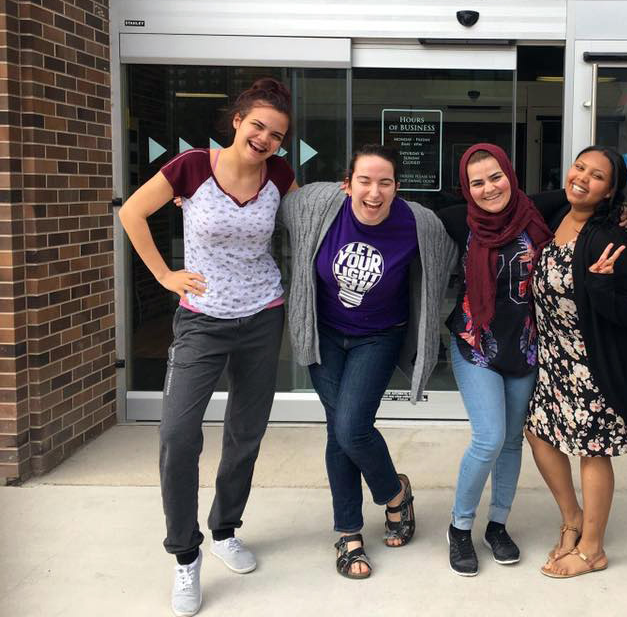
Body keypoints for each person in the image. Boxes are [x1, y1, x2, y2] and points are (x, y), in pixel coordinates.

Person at [118, 78, 296, 617]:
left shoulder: (281, 176)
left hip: (263, 316)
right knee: (177, 435)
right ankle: (185, 554)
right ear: (238, 121)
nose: (264, 138)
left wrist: (340, 195)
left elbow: (305, 220)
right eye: (258, 125)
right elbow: (131, 212)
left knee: (246, 433)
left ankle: (224, 529)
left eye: (277, 134)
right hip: (201, 321)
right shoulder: (192, 167)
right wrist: (165, 275)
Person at [279, 144, 456, 579]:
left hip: (378, 337)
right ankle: (353, 530)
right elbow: (262, 198)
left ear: (397, 187)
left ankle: (390, 498)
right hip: (324, 336)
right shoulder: (319, 205)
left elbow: (467, 236)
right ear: (347, 183)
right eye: (364, 181)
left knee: (350, 428)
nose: (374, 192)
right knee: (339, 432)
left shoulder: (418, 222)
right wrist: (197, 195)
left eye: (385, 182)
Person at [525, 145, 627, 578]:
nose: (582, 178)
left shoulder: (609, 237)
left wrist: (598, 285)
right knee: (540, 434)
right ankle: (572, 518)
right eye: (579, 167)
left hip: (593, 362)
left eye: (597, 176)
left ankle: (592, 548)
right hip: (554, 358)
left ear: (610, 190)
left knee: (592, 450)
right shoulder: (555, 214)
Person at [436, 144, 557, 576]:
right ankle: (460, 527)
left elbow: (590, 196)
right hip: (476, 342)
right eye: (477, 182)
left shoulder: (538, 213)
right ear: (465, 189)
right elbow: (398, 211)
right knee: (489, 437)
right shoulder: (457, 220)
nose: (489, 188)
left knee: (510, 440)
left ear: (510, 173)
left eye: (495, 177)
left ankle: (498, 525)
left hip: (524, 347)